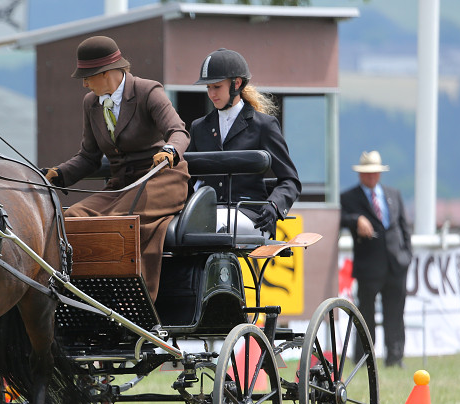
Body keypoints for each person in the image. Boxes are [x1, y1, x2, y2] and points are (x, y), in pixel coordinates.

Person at [43, 36, 190, 301]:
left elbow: (178, 131)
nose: (85, 83)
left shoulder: (148, 91)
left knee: (118, 223)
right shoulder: (91, 103)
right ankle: (85, 296)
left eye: (88, 77)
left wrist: (169, 151)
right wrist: (58, 174)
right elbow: (88, 157)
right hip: (121, 185)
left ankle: (134, 300)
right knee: (72, 218)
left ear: (108, 72)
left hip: (161, 180)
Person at [186, 48, 301, 237]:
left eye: (216, 87)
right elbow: (188, 178)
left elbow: (290, 180)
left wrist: (274, 206)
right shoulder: (199, 128)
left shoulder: (264, 125)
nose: (211, 93)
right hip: (209, 212)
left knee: (209, 224)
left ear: (236, 84)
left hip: (252, 215)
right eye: (208, 88)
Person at [340, 150, 413, 367]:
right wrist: (357, 220)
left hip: (396, 264)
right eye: (367, 172)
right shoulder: (349, 197)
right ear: (361, 174)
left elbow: (403, 226)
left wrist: (406, 255)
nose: (371, 176)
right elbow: (340, 218)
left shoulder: (393, 194)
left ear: (380, 174)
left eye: (374, 172)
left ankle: (395, 357)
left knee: (395, 313)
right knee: (365, 315)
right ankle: (364, 358)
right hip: (368, 266)